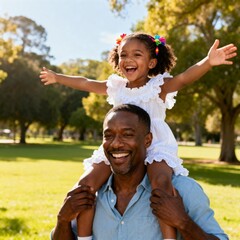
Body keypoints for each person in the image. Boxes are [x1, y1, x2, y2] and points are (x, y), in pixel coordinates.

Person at [40, 33, 237, 239]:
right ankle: (84, 237)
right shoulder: (116, 87)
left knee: (161, 186)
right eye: (123, 54)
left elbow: (184, 78)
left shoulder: (157, 87)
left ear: (152, 62)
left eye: (137, 54)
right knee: (85, 186)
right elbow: (86, 82)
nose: (128, 59)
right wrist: (57, 78)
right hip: (120, 145)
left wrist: (208, 62)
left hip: (156, 145)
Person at [50, 104, 229, 240]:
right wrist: (63, 220)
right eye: (109, 135)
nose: (116, 143)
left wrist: (183, 222)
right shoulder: (90, 194)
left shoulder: (182, 191)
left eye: (127, 134)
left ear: (148, 140)